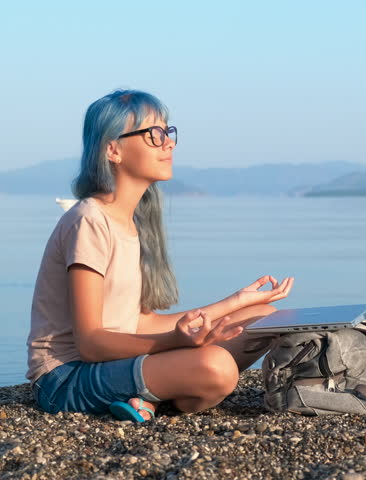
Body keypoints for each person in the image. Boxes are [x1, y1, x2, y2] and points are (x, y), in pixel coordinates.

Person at [26, 90, 294, 422]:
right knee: (218, 368)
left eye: (168, 133)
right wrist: (174, 342)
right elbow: (90, 343)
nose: (168, 143)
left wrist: (237, 301)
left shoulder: (131, 222)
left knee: (263, 317)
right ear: (113, 149)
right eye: (153, 134)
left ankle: (152, 396)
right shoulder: (89, 221)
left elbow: (140, 322)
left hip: (113, 364)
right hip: (67, 378)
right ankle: (167, 394)